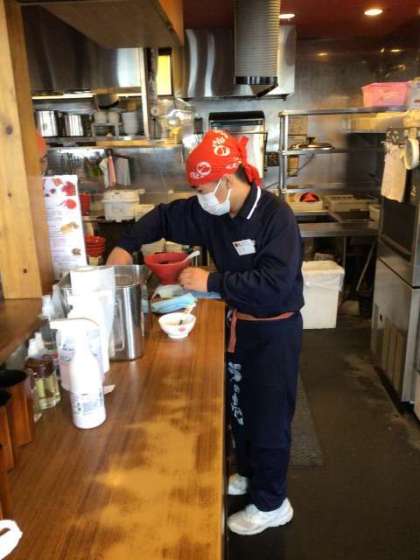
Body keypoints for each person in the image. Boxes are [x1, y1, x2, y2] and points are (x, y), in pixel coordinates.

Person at [107, 129, 304, 536]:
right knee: (240, 407)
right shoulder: (213, 212)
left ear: (225, 180)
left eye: (201, 189)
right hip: (239, 325)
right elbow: (164, 216)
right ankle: (249, 474)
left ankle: (272, 503)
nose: (199, 198)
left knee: (269, 417)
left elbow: (276, 284)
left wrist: (212, 282)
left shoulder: (275, 217)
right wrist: (125, 246)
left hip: (274, 332)